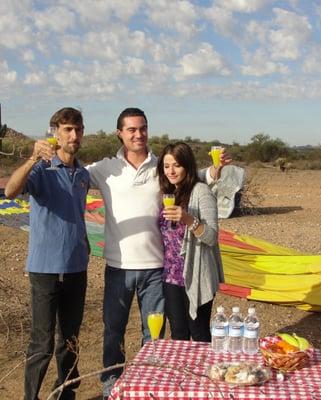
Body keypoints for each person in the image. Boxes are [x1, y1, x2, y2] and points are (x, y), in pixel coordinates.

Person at [86, 108, 229, 398]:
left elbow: (187, 173)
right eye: (131, 130)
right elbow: (73, 175)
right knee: (113, 331)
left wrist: (213, 172)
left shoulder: (158, 164)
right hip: (118, 266)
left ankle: (149, 383)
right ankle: (110, 386)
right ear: (120, 133)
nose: (138, 134)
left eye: (143, 128)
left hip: (157, 269)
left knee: (154, 336)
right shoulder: (104, 169)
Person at [4, 107, 89, 400]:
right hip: (45, 269)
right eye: (67, 129)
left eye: (77, 129)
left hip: (77, 268)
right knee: (41, 342)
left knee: (70, 340)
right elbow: (10, 192)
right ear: (55, 132)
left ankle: (65, 394)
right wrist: (31, 158)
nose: (73, 135)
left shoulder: (82, 173)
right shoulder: (41, 169)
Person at [158, 142, 224, 341]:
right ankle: (184, 372)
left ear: (187, 165)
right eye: (167, 166)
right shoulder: (168, 193)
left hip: (195, 274)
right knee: (178, 334)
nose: (171, 171)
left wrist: (188, 219)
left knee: (199, 332)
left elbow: (211, 236)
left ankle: (204, 371)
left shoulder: (201, 192)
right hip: (170, 276)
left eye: (176, 165)